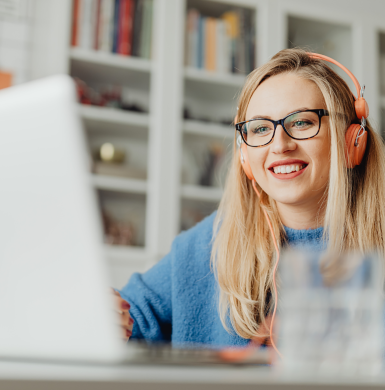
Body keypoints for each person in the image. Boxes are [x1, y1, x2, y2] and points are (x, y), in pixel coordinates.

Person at [114, 48, 385, 347]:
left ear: (352, 141)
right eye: (260, 128)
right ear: (245, 155)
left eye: (302, 122)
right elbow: (132, 316)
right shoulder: (209, 243)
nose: (280, 145)